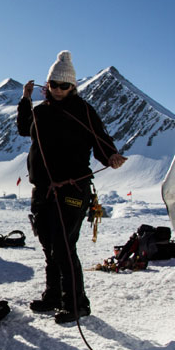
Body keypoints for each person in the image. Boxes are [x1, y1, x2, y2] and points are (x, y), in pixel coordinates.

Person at [17, 51, 126, 323]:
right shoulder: (40, 111)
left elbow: (100, 139)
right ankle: (53, 295)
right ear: (48, 84)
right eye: (53, 84)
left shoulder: (83, 111)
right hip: (42, 189)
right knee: (48, 245)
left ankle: (77, 304)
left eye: (64, 85)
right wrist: (25, 100)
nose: (58, 90)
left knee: (63, 245)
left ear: (73, 87)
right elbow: (22, 129)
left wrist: (110, 155)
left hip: (73, 189)